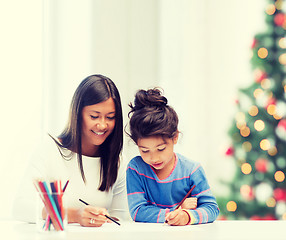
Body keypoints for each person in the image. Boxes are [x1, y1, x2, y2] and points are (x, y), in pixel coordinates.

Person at [12, 74, 130, 227]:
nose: (102, 125)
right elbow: (20, 207)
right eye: (94, 116)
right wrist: (73, 215)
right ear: (77, 114)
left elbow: (120, 219)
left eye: (110, 117)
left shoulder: (118, 160)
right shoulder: (49, 150)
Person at [126, 88, 219, 226]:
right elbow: (138, 211)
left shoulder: (192, 170)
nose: (154, 158)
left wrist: (187, 216)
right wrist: (176, 211)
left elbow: (211, 209)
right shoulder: (136, 169)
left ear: (175, 137)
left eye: (161, 149)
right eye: (145, 150)